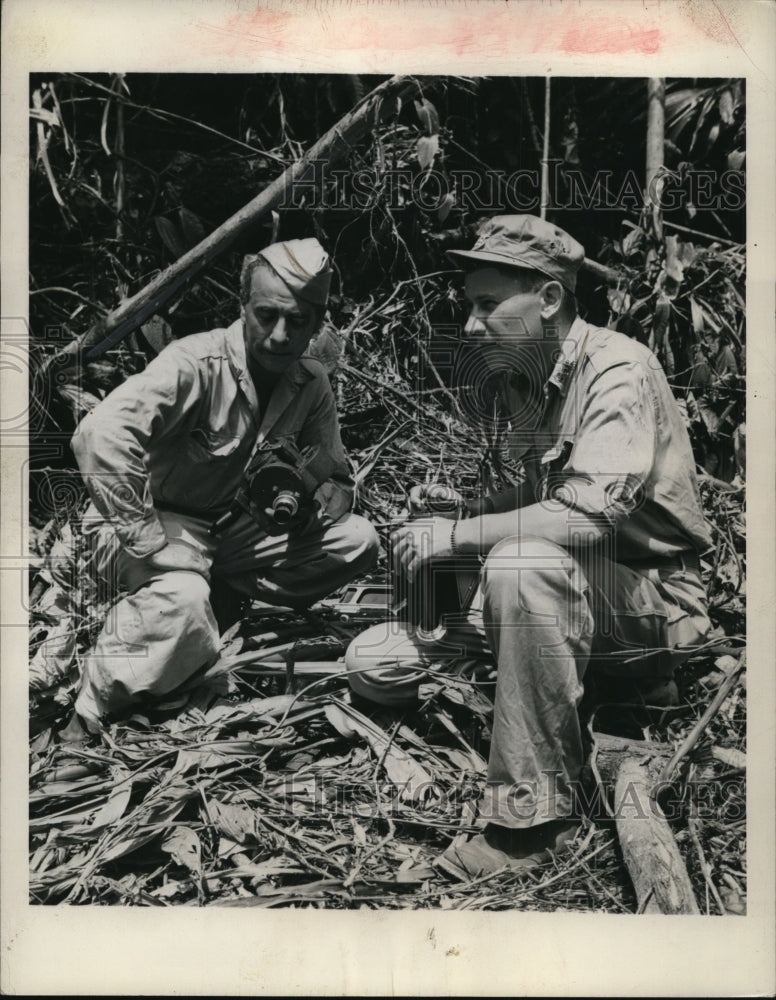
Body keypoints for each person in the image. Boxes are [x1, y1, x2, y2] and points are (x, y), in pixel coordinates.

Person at [344, 215, 712, 878]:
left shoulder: (617, 371)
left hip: (648, 605)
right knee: (372, 662)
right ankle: (560, 695)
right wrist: (453, 516)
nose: (474, 324)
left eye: (489, 305)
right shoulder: (516, 382)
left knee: (521, 564)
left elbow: (586, 518)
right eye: (470, 307)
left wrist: (458, 536)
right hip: (555, 599)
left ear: (547, 299)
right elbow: (518, 513)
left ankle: (531, 827)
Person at [60, 237, 379, 739]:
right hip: (147, 521)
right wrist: (149, 542)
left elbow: (336, 478)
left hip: (227, 528)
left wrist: (309, 504)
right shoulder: (197, 362)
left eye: (297, 322)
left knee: (357, 540)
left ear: (318, 325)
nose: (279, 335)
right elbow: (99, 434)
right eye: (266, 315)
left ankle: (221, 597)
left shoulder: (311, 383)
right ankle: (91, 712)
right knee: (182, 598)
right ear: (243, 307)